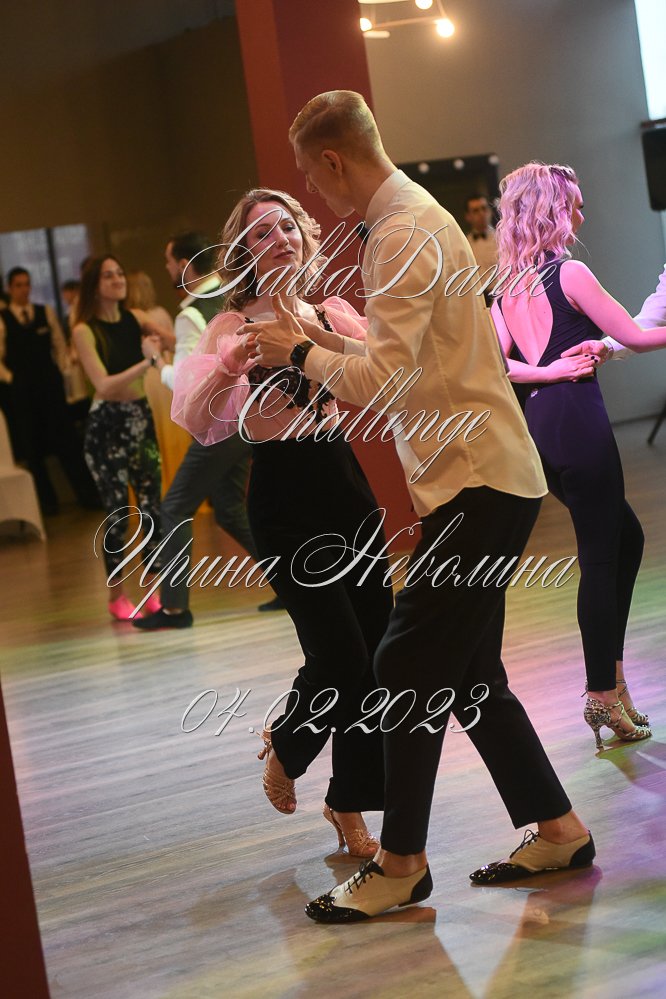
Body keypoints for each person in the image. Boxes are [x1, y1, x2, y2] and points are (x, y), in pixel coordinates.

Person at [248, 91, 593, 923]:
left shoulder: (399, 231)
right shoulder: (415, 217)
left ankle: (401, 863)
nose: (314, 193)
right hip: (481, 477)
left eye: (311, 177)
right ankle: (558, 828)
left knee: (403, 664)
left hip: (478, 480)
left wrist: (298, 351)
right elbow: (405, 355)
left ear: (334, 161)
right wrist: (319, 342)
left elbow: (385, 382)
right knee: (470, 678)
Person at [172, 190, 394, 856]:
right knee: (339, 654)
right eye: (262, 232)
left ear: (305, 235)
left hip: (345, 485)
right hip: (283, 496)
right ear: (243, 249)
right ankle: (289, 746)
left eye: (288, 226)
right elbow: (198, 420)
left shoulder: (331, 313)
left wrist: (324, 341)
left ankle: (349, 801)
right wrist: (228, 370)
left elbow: (382, 381)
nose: (279, 239)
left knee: (376, 651)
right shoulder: (232, 324)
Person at [491, 163, 666, 748]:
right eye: (575, 205)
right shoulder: (570, 273)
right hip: (579, 421)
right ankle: (602, 694)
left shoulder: (507, 286)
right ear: (552, 210)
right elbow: (636, 336)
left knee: (625, 538)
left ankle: (612, 680)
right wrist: (560, 369)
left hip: (541, 428)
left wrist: (542, 371)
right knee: (600, 555)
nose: (582, 216)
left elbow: (495, 365)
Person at [133, 232, 276, 631]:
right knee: (229, 509)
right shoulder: (232, 296)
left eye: (169, 262)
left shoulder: (190, 314)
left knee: (175, 507)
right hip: (249, 418)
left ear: (184, 264)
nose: (167, 268)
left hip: (219, 426)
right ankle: (291, 582)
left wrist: (155, 361)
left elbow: (185, 385)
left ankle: (175, 609)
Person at [72, 256, 165, 621]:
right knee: (118, 513)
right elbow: (104, 385)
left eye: (120, 273)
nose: (118, 280)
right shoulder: (84, 330)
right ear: (94, 286)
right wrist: (147, 362)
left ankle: (154, 591)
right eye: (108, 276)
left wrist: (161, 338)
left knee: (152, 508)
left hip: (140, 417)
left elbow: (170, 339)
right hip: (106, 425)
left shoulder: (136, 318)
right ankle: (117, 596)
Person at [0, 266, 99, 515]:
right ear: (10, 288)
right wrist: (11, 379)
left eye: (27, 284)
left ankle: (87, 495)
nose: (24, 289)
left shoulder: (44, 312)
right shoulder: (3, 319)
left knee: (67, 441)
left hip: (50, 386)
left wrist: (63, 371)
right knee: (32, 449)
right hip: (23, 391)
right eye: (19, 285)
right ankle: (47, 503)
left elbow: (59, 345)